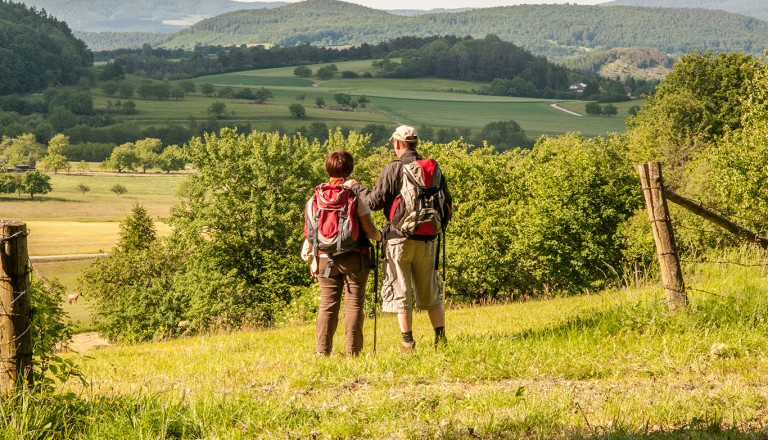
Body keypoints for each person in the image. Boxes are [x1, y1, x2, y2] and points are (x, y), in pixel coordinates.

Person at [346, 125, 452, 352]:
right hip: (428, 238)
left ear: (397, 144)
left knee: (401, 290)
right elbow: (448, 205)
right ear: (415, 144)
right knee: (430, 291)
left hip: (398, 239)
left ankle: (408, 342)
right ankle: (440, 340)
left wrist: (356, 187)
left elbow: (373, 202)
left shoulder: (394, 168)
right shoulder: (433, 168)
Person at [304, 150, 382, 357]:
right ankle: (353, 352)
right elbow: (370, 231)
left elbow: (310, 231)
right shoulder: (354, 197)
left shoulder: (314, 198)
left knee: (327, 305)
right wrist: (382, 237)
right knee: (354, 304)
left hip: (324, 257)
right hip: (354, 256)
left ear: (327, 169)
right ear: (350, 170)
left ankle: (322, 351)